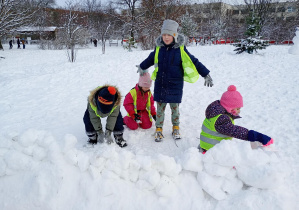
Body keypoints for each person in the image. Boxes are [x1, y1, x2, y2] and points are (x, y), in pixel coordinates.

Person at [137, 19, 214, 142]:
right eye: (164, 34)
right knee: (160, 110)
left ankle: (176, 127)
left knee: (175, 110)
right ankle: (159, 129)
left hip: (175, 85)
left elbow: (195, 62)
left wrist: (205, 73)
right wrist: (142, 66)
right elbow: (150, 59)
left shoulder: (181, 50)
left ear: (174, 35)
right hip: (161, 84)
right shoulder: (158, 48)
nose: (166, 37)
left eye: (169, 35)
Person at [198, 85, 274, 153]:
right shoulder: (221, 119)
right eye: (237, 108)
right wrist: (258, 136)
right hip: (213, 149)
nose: (239, 111)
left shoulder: (215, 112)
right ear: (229, 107)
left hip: (207, 144)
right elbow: (236, 131)